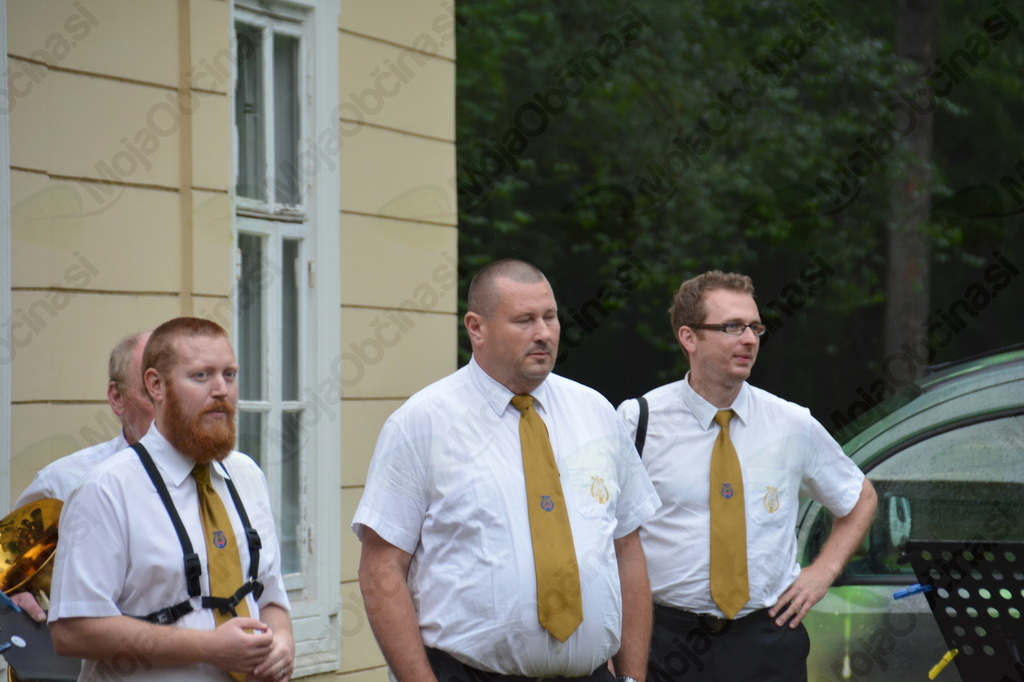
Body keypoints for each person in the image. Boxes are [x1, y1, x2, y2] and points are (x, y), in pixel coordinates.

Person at [353, 259, 660, 682]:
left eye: (550, 317)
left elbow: (627, 550)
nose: (544, 333)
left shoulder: (596, 413)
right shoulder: (421, 424)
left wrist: (631, 678)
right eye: (524, 320)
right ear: (476, 328)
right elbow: (381, 569)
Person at [617, 271, 877, 682]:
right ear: (689, 337)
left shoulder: (791, 423)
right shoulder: (639, 421)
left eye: (755, 327)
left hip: (767, 640)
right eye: (732, 327)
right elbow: (605, 533)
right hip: (667, 642)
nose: (750, 339)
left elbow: (860, 497)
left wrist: (823, 572)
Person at [49, 317, 294, 682]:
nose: (221, 390)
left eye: (229, 374)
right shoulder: (106, 488)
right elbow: (72, 631)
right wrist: (208, 647)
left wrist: (283, 644)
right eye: (201, 375)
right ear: (156, 385)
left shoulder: (247, 475)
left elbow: (270, 596)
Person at [11, 331, 154, 622]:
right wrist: (10, 599)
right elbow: (7, 574)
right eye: (152, 390)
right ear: (117, 397)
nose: (171, 404)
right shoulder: (61, 483)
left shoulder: (233, 479)